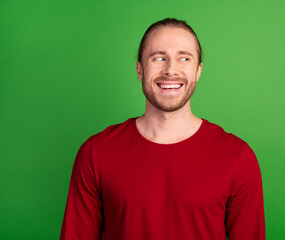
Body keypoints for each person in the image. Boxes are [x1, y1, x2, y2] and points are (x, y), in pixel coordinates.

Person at [60, 18, 265, 240]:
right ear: (140, 69)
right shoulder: (96, 153)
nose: (171, 70)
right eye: (159, 58)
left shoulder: (238, 157)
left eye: (184, 58)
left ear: (198, 71)